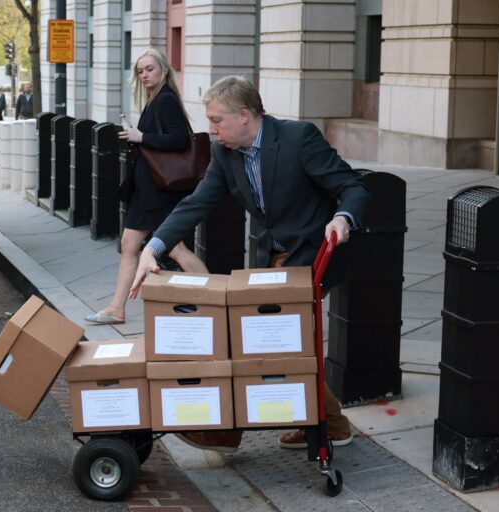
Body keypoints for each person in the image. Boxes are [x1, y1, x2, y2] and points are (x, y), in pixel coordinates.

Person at [128, 75, 370, 452]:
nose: (210, 129)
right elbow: (196, 203)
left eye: (216, 120)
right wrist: (154, 246)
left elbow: (352, 186)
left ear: (244, 116)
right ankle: (328, 424)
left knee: (262, 339)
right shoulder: (225, 153)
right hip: (270, 257)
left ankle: (236, 430)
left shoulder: (297, 138)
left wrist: (343, 219)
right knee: (272, 342)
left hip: (313, 251)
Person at [84, 49, 208, 325]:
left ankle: (214, 299)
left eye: (149, 69)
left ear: (163, 69)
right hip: (147, 190)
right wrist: (137, 139)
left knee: (175, 249)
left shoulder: (166, 100)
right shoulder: (156, 100)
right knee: (129, 245)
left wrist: (141, 136)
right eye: (140, 71)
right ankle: (117, 308)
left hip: (160, 191)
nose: (144, 75)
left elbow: (178, 140)